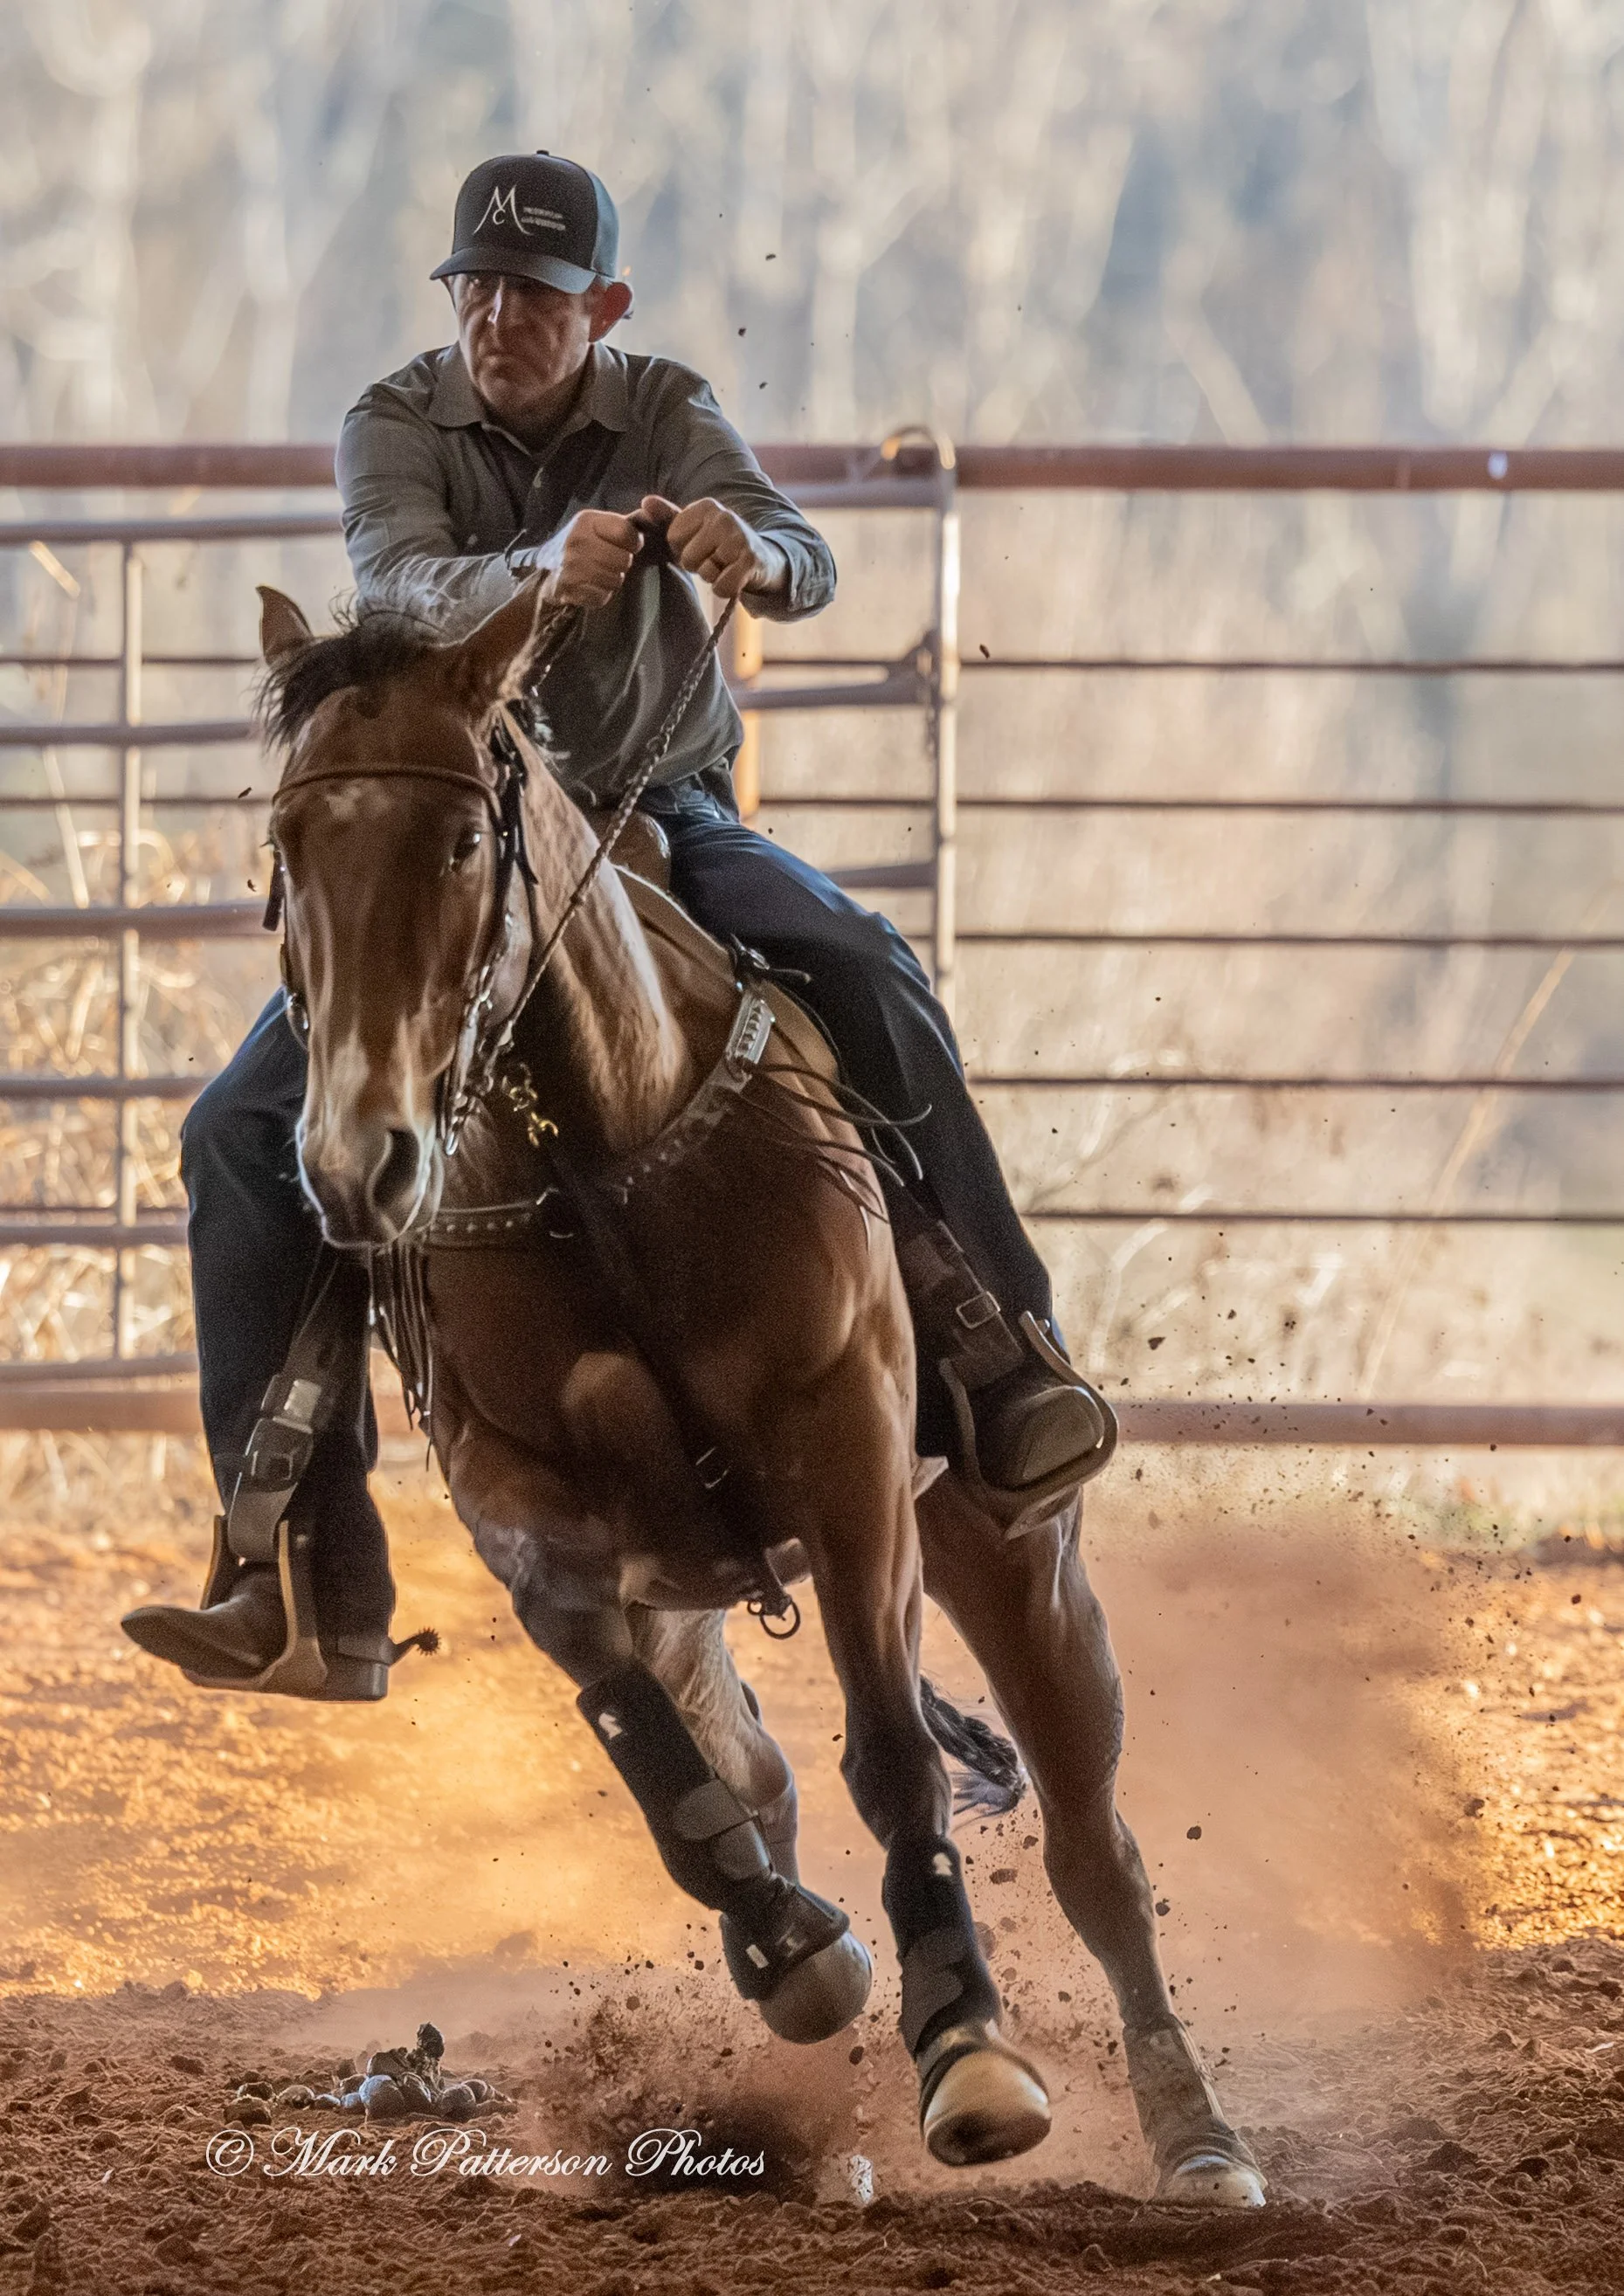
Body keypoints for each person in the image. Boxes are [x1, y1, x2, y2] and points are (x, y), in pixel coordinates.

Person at [124, 153, 1109, 1699]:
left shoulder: (666, 405)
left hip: (659, 815)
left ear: (605, 307)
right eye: (480, 290)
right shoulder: (392, 422)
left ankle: (1004, 1349)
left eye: (537, 294)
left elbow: (804, 547)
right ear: (452, 297)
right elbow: (394, 578)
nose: (502, 319)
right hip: (463, 847)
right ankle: (295, 1569)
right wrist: (538, 568)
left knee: (857, 962)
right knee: (236, 1133)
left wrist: (751, 554)